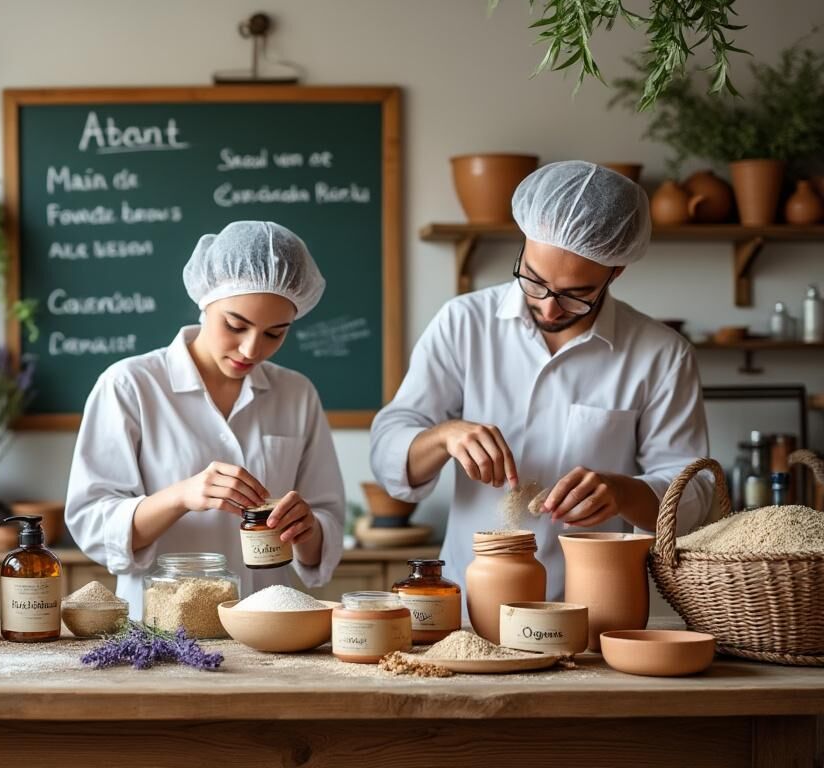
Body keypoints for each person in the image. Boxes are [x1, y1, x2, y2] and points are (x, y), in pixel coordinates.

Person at [369, 161, 711, 599]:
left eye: (576, 294)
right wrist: (444, 437)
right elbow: (387, 450)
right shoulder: (464, 322)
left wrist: (625, 492)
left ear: (616, 272)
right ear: (523, 245)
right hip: (468, 609)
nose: (549, 309)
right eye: (534, 280)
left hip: (592, 610)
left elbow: (696, 493)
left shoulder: (660, 353)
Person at [66, 221, 345, 618]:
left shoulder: (297, 393)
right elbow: (93, 523)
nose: (252, 348)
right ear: (204, 300)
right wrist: (181, 496)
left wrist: (308, 527)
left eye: (275, 333)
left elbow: (326, 528)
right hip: (162, 629)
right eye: (235, 325)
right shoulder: (130, 385)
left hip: (267, 626)